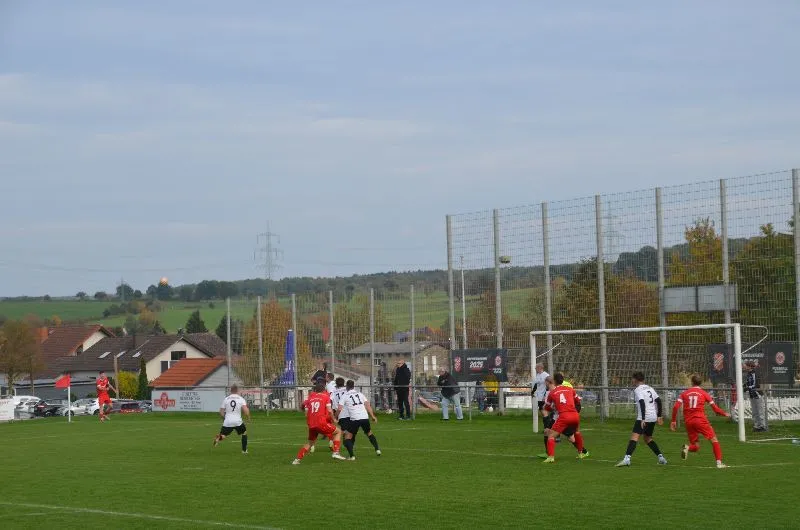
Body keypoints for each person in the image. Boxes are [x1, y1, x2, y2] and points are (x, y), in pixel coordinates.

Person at [670, 374, 730, 469]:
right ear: (700, 383)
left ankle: (687, 447)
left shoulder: (684, 393)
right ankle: (719, 463)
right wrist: (725, 413)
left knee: (696, 446)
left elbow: (675, 407)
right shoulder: (704, 393)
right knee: (714, 440)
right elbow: (715, 409)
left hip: (689, 422)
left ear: (692, 382)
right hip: (700, 420)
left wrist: (673, 421)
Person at [615, 372, 667, 467]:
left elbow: (642, 403)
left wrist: (643, 419)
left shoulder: (638, 389)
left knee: (634, 437)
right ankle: (661, 458)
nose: (632, 380)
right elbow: (659, 401)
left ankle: (627, 459)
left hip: (644, 417)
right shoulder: (650, 388)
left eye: (632, 379)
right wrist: (659, 416)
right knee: (647, 438)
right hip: (652, 417)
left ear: (635, 379)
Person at [293, 379, 347, 464]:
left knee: (310, 443)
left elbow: (303, 406)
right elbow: (329, 410)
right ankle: (336, 452)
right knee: (338, 432)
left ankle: (297, 460)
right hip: (320, 422)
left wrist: (304, 411)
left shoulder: (311, 397)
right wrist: (334, 419)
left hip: (311, 424)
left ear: (315, 390)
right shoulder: (326, 397)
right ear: (324, 390)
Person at [542, 373, 588, 463]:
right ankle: (581, 453)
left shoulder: (552, 393)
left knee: (551, 435)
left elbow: (547, 407)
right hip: (575, 415)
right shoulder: (570, 389)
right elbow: (577, 401)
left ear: (554, 381)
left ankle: (551, 457)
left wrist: (553, 407)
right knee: (577, 432)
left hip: (563, 416)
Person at [337, 379, 380, 460]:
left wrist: (336, 416)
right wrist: (373, 416)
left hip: (355, 418)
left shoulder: (345, 395)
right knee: (369, 433)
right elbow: (367, 405)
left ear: (347, 387)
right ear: (353, 386)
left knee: (347, 437)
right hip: (364, 417)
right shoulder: (360, 394)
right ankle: (377, 449)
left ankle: (352, 456)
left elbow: (339, 409)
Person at [213, 385, 251, 454]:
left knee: (224, 435)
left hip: (228, 421)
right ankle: (244, 450)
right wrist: (248, 418)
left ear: (231, 390)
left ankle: (219, 438)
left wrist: (224, 419)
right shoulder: (241, 399)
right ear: (237, 390)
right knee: (244, 433)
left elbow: (221, 412)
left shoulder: (226, 399)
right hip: (238, 421)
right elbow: (245, 410)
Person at [744, 361, 767, 432]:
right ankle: (757, 426)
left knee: (760, 411)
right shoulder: (748, 374)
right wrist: (744, 386)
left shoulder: (755, 373)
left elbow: (756, 385)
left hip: (757, 394)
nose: (744, 367)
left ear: (749, 366)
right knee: (754, 412)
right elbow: (748, 383)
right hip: (752, 395)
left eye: (746, 366)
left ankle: (762, 426)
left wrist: (748, 388)